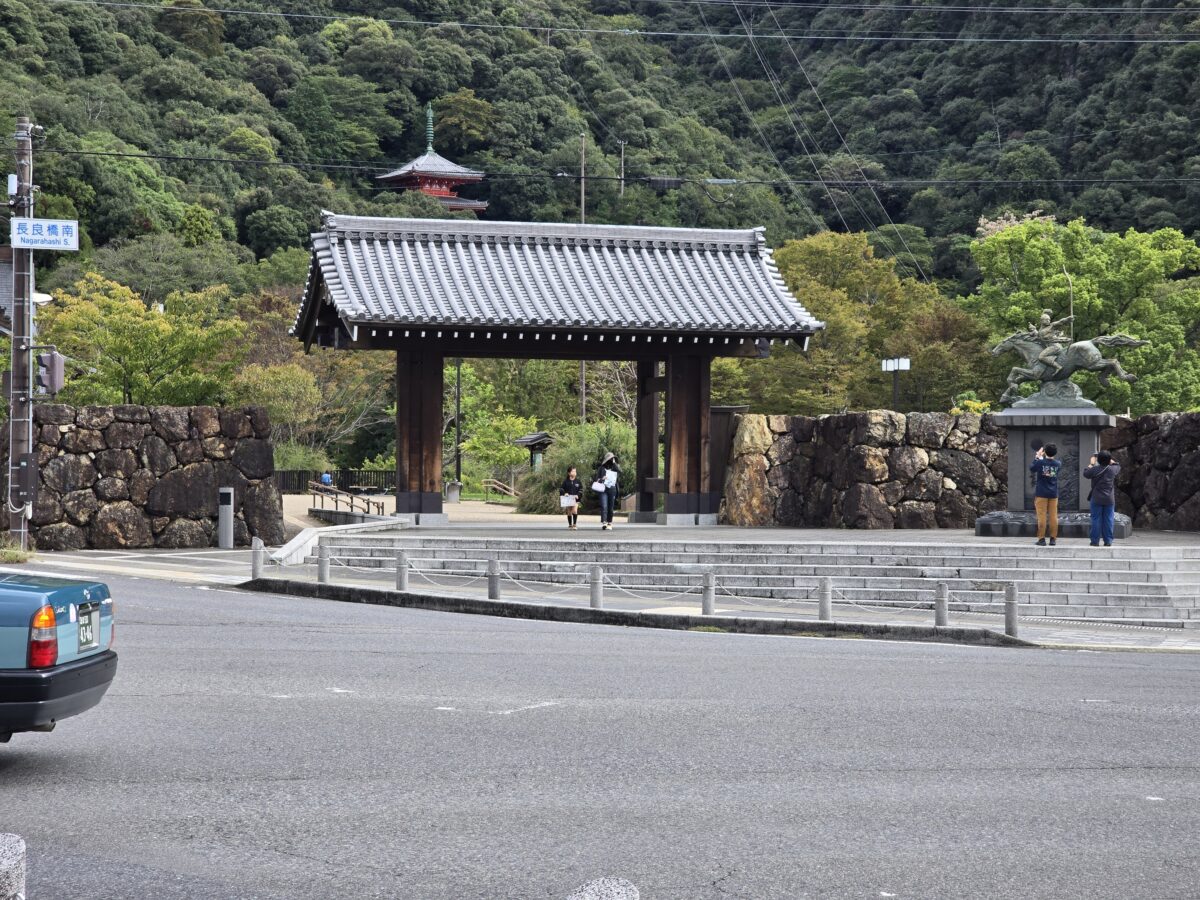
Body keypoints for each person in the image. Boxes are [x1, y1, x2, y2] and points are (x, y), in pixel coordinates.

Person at [1083, 450, 1121, 547]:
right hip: (1109, 499)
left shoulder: (1094, 469)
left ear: (1098, 460)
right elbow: (1117, 465)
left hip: (1096, 498)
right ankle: (1108, 541)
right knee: (1108, 519)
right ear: (1109, 460)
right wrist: (1111, 461)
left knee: (1096, 519)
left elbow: (1085, 473)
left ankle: (1094, 541)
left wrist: (1091, 463)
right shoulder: (1113, 470)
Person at [1030, 442, 1061, 546]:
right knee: (1053, 516)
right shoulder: (1058, 464)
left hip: (1041, 493)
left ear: (1044, 452)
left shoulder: (1040, 463)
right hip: (1053, 493)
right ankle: (1053, 539)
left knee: (1041, 516)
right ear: (1055, 453)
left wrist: (1037, 457)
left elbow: (1032, 468)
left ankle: (1041, 539)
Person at [594, 452, 620, 531]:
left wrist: (614, 463)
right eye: (610, 458)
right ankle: (604, 522)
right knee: (604, 506)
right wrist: (602, 478)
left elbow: (620, 471)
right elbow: (597, 479)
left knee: (611, 507)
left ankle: (610, 523)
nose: (611, 459)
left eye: (613, 458)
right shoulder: (601, 468)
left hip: (612, 489)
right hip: (603, 489)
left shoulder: (614, 467)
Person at [559, 466, 583, 530]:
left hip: (575, 499)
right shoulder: (565, 481)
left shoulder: (578, 481)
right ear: (569, 473)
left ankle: (574, 524)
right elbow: (561, 489)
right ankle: (570, 524)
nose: (574, 472)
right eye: (573, 471)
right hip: (568, 499)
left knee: (574, 510)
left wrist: (578, 495)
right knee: (569, 512)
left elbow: (581, 490)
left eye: (575, 471)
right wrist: (564, 493)